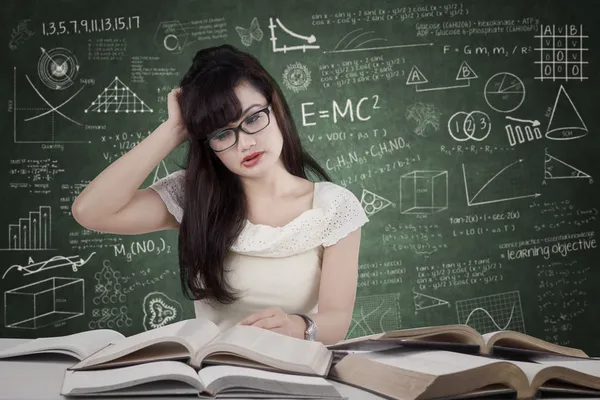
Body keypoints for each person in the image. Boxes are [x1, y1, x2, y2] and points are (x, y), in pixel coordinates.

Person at [72, 44, 369, 345]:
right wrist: (173, 129)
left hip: (293, 372)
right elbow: (91, 211)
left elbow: (337, 320)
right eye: (222, 134)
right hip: (212, 377)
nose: (245, 144)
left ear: (274, 105)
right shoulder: (195, 199)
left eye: (253, 119)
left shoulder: (333, 207)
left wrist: (297, 326)